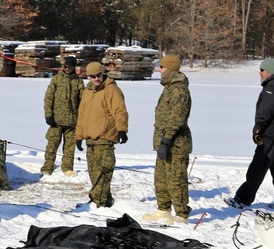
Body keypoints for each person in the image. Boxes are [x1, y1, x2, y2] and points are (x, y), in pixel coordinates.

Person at [229, 58, 274, 209]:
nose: (260, 72)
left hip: (271, 135)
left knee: (257, 168)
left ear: (269, 71)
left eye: (262, 70)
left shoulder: (272, 87)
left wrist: (258, 129)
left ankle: (242, 199)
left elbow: (265, 112)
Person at [141, 54, 192, 225]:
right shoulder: (169, 87)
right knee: (161, 178)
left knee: (176, 179)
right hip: (164, 142)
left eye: (161, 67)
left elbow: (177, 118)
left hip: (175, 144)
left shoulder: (179, 90)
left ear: (169, 69)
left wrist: (166, 140)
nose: (159, 70)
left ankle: (181, 214)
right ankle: (163, 209)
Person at [74, 61, 129, 208]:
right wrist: (79, 136)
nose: (96, 79)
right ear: (88, 77)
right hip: (90, 138)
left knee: (103, 171)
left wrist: (121, 129)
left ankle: (98, 201)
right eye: (93, 77)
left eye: (98, 75)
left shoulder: (111, 90)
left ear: (103, 74)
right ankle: (105, 199)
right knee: (94, 172)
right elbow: (82, 115)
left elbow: (120, 111)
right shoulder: (87, 92)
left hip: (105, 136)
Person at [42, 55, 83, 176]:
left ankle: (67, 167)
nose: (67, 69)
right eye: (65, 66)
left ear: (74, 67)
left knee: (70, 146)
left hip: (72, 121)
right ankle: (47, 167)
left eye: (70, 67)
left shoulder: (78, 82)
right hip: (56, 120)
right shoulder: (56, 80)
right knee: (52, 144)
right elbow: (48, 98)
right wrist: (48, 114)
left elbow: (83, 101)